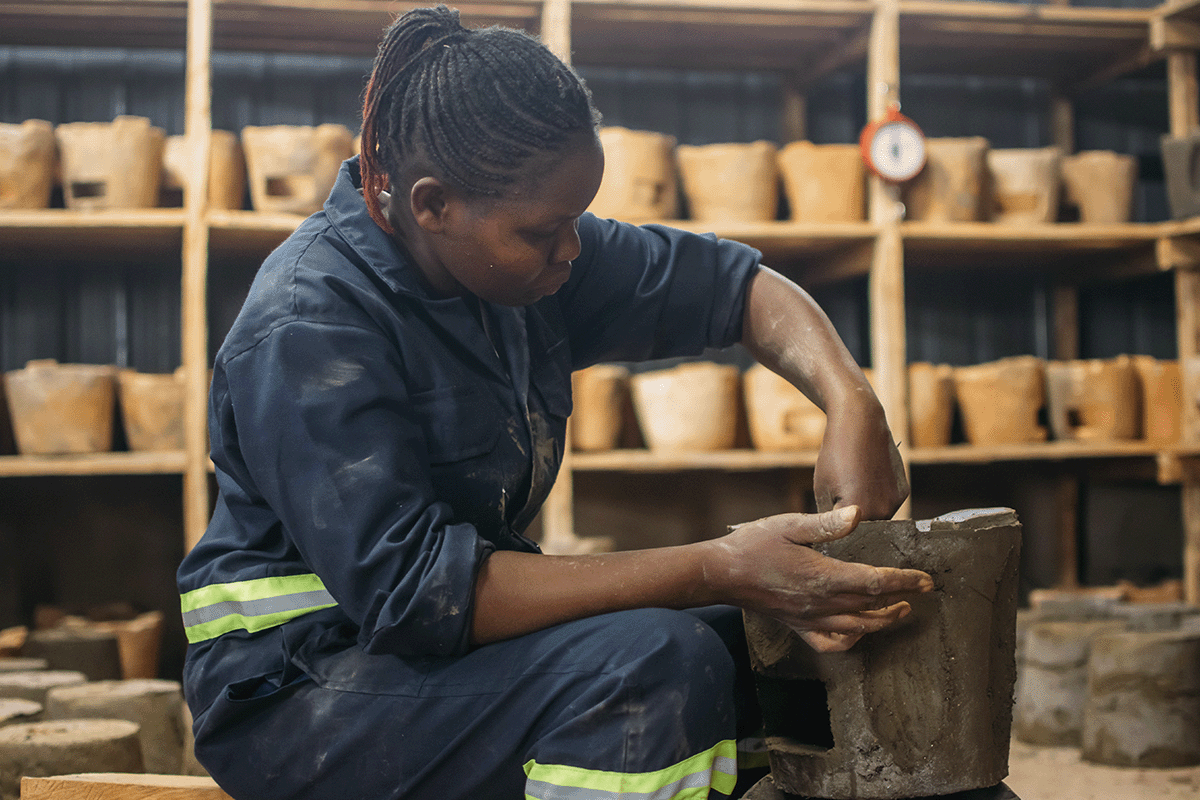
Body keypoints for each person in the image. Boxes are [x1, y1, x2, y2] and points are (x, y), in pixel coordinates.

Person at [177, 6, 933, 799]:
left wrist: (853, 404)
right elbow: (420, 595)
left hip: (425, 663)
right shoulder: (311, 322)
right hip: (296, 694)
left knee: (771, 642)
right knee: (653, 668)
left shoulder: (513, 263)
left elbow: (737, 287)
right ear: (433, 205)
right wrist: (720, 565)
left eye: (574, 220)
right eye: (545, 231)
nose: (573, 248)